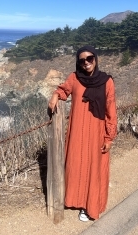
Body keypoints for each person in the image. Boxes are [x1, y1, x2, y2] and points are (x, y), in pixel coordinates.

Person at [48, 45, 117, 221]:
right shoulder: (74, 77)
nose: (86, 63)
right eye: (82, 60)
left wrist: (109, 137)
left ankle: (90, 206)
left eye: (90, 59)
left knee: (93, 167)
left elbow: (111, 110)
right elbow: (64, 89)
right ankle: (75, 199)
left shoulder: (107, 81)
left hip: (97, 133)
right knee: (76, 165)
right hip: (77, 131)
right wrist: (56, 95)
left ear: (95, 58)